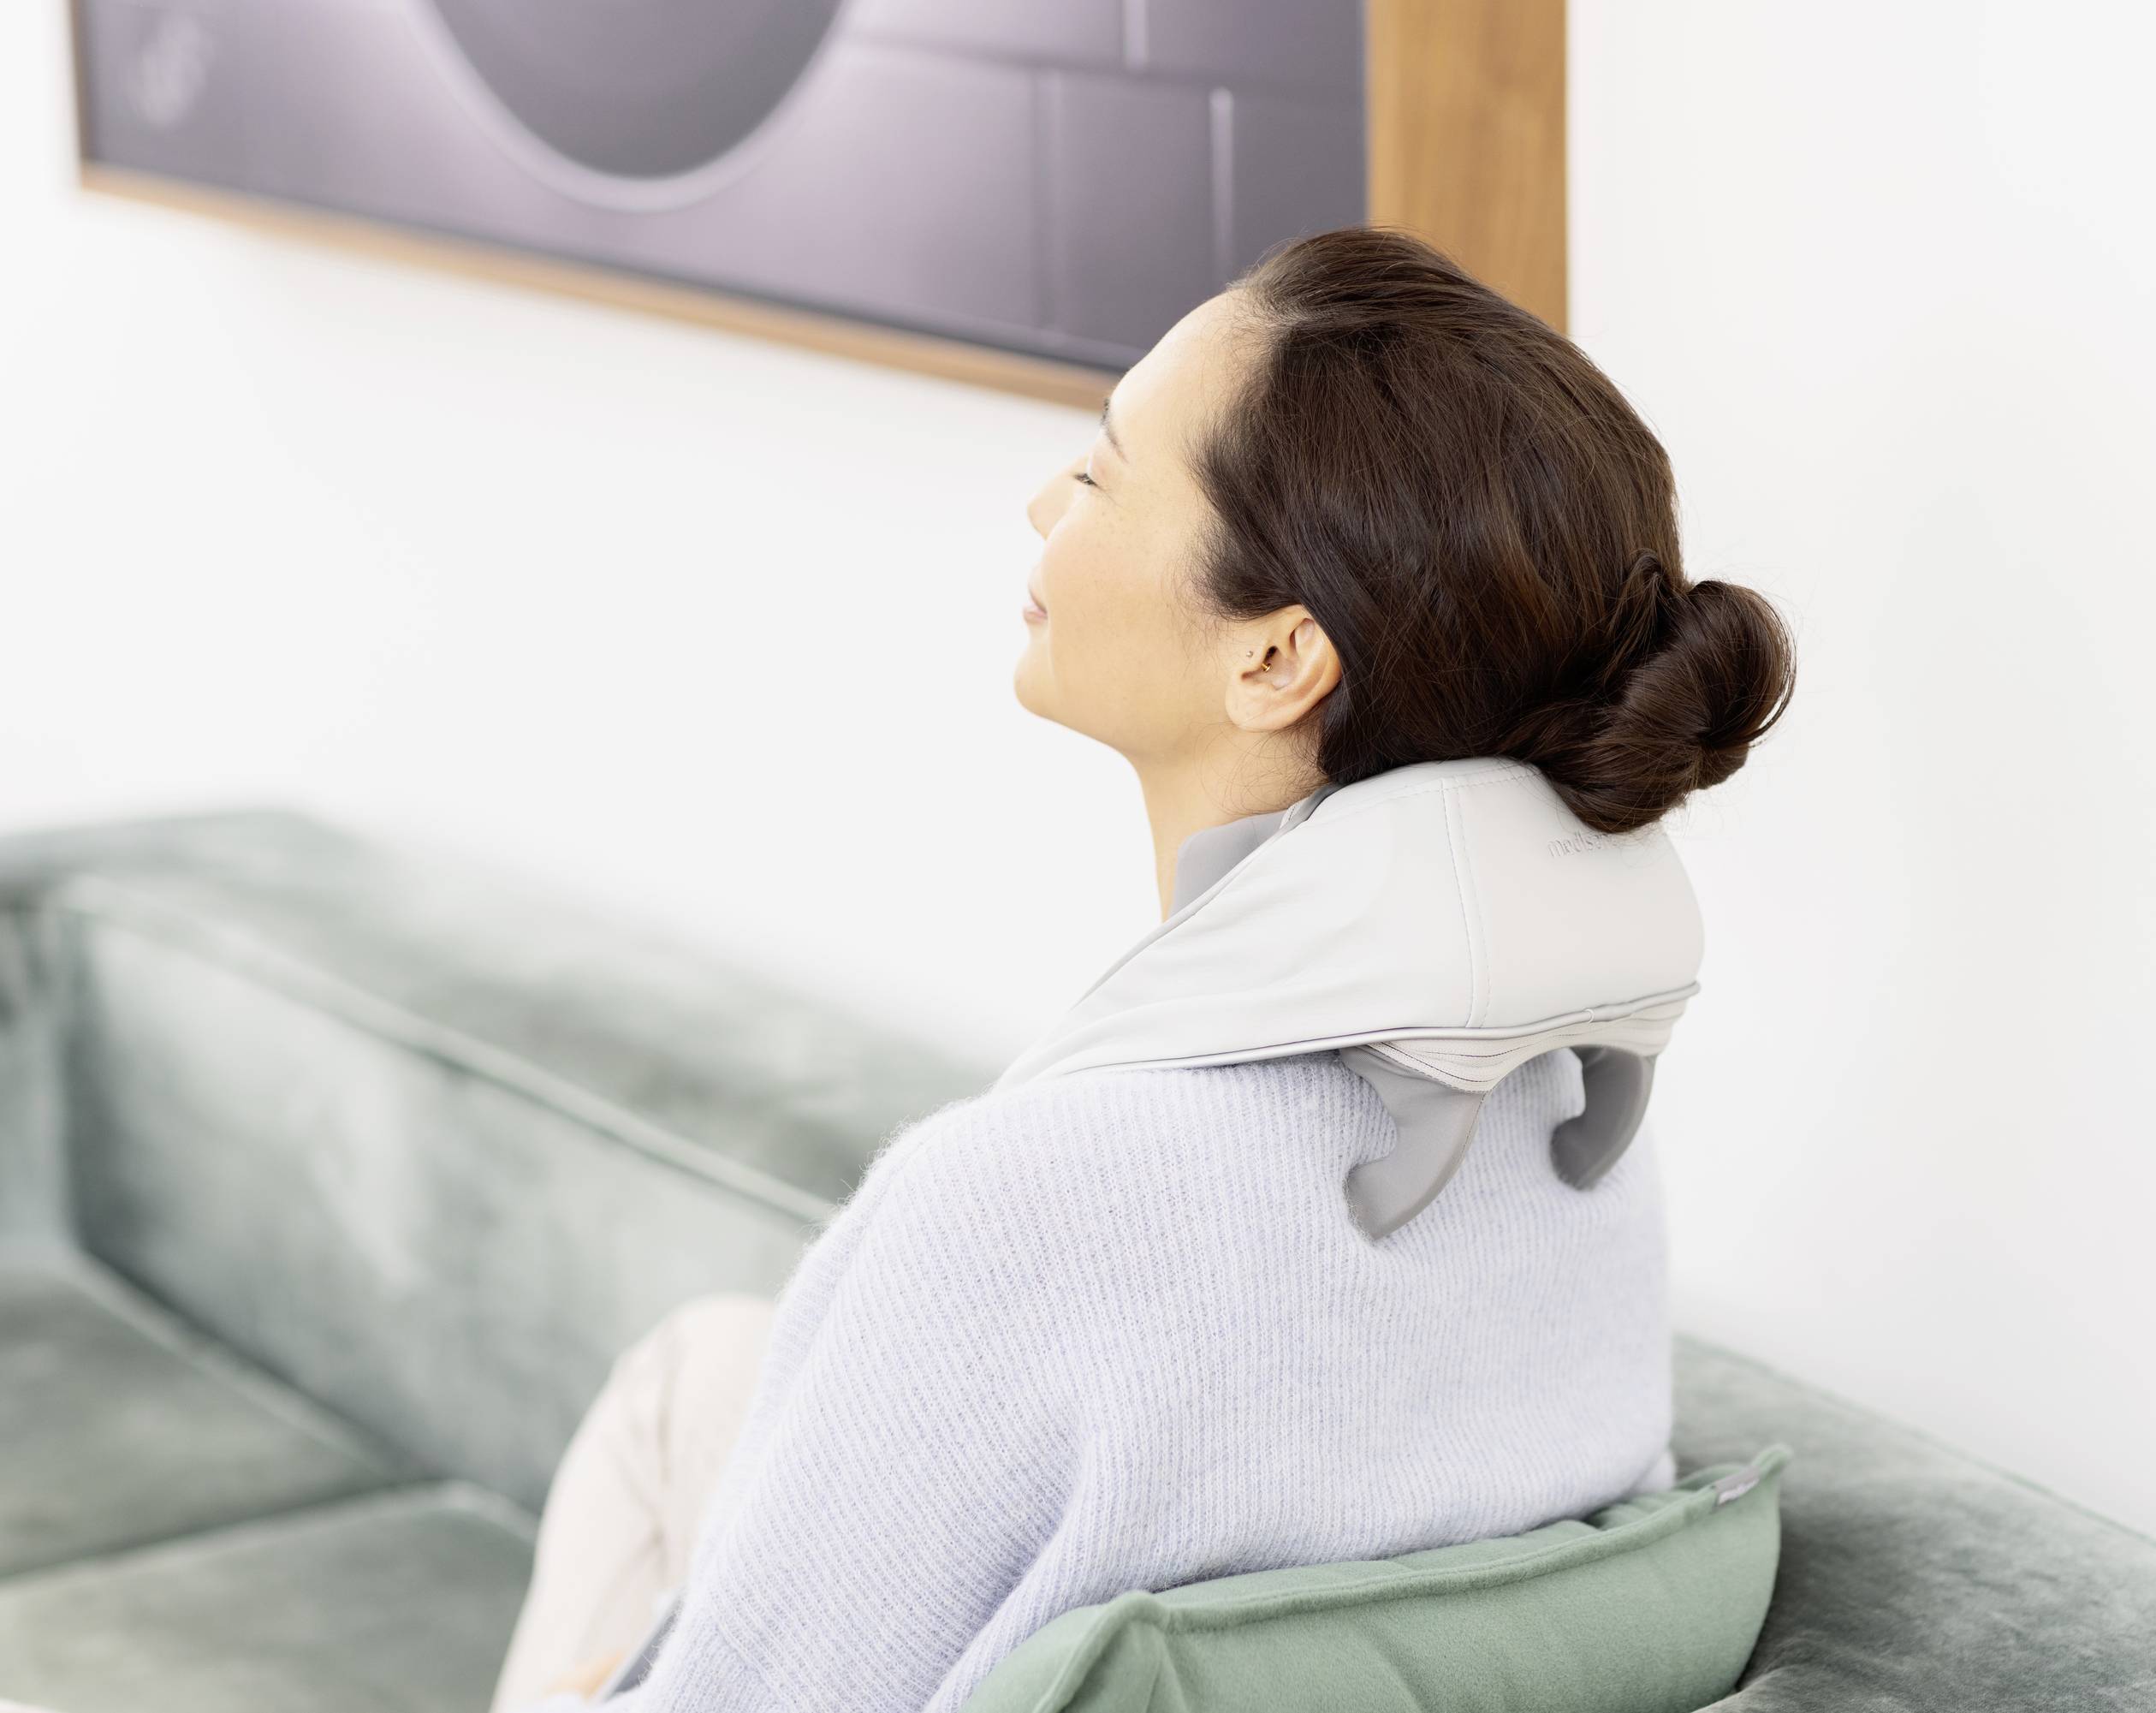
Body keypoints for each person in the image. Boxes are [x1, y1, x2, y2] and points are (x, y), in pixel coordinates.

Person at [486, 224, 1797, 1713]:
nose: (1044, 501)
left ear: (1276, 659)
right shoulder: (1577, 1127)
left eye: (1105, 473)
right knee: (706, 1373)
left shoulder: (1018, 1205)